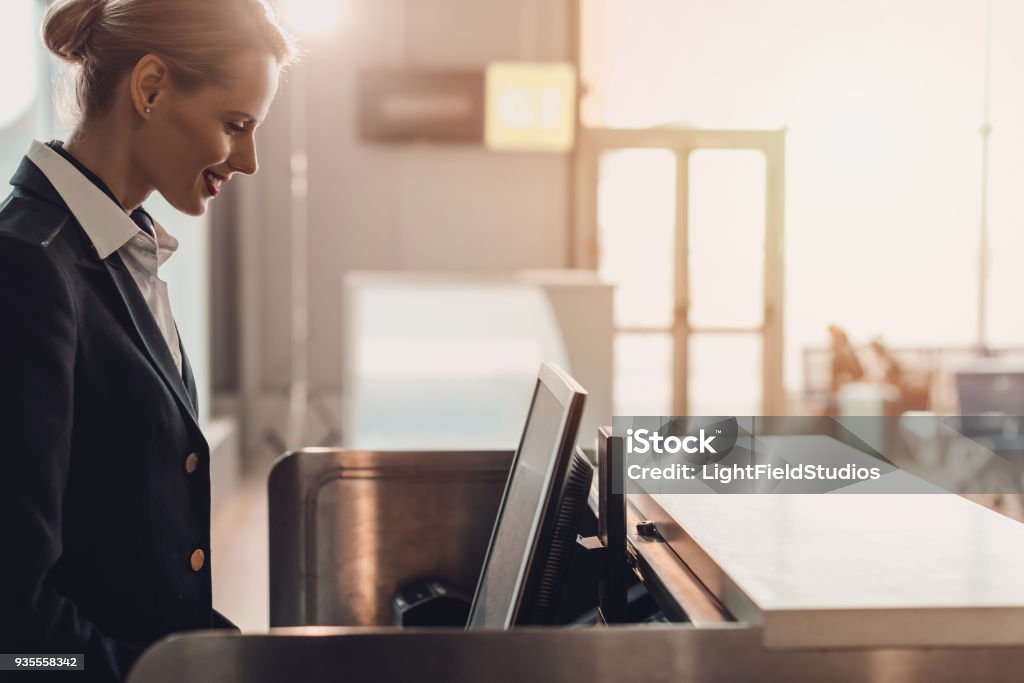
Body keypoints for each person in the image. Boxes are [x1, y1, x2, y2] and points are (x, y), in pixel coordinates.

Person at [0, 1, 295, 679]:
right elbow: (15, 633)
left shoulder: (115, 254)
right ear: (151, 87)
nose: (248, 160)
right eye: (236, 125)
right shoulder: (27, 270)